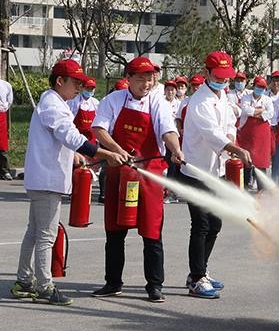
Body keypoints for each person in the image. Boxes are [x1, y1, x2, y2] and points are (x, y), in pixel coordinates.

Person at [12, 59, 125, 306]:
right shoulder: (53, 104)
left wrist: (75, 155)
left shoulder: (55, 103)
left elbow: (59, 138)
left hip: (45, 177)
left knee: (34, 231)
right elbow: (70, 135)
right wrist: (104, 153)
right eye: (75, 82)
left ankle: (24, 280)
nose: (78, 87)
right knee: (46, 235)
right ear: (60, 81)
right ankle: (44, 286)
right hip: (47, 179)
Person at [90, 57, 183, 303]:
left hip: (150, 174)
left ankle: (154, 285)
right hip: (119, 172)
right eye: (140, 78)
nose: (146, 83)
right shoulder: (113, 100)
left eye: (150, 78)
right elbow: (99, 129)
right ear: (128, 78)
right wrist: (116, 150)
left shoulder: (158, 102)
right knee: (114, 229)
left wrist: (175, 149)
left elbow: (168, 130)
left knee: (152, 231)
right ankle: (112, 282)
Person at [180, 51, 252, 299]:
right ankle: (196, 278)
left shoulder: (222, 96)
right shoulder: (199, 102)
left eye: (226, 77)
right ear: (207, 73)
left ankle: (201, 271)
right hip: (196, 172)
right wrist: (236, 149)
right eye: (218, 76)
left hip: (217, 171)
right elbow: (212, 134)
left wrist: (233, 140)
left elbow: (229, 125)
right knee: (200, 224)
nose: (222, 81)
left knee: (215, 223)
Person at [237, 76, 275, 190]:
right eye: (258, 86)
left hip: (262, 136)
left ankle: (261, 189)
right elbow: (246, 110)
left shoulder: (267, 100)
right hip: (247, 135)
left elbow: (270, 113)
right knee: (246, 161)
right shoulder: (246, 97)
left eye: (263, 87)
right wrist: (260, 111)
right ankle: (244, 186)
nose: (260, 89)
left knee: (261, 163)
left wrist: (256, 113)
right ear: (254, 86)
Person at [68, 77, 99, 145]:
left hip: (91, 138)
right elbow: (69, 119)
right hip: (77, 137)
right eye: (87, 88)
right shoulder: (74, 100)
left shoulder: (95, 102)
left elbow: (97, 121)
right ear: (82, 87)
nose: (90, 90)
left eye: (92, 88)